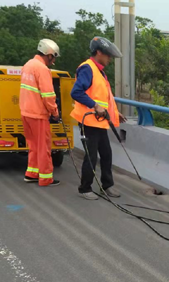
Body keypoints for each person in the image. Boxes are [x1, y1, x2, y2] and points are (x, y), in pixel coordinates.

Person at [70, 36, 127, 200]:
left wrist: (115, 113)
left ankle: (107, 186)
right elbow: (76, 92)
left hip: (100, 122)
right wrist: (95, 106)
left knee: (106, 154)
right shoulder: (87, 68)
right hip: (88, 121)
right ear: (99, 52)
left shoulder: (99, 71)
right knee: (91, 156)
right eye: (108, 55)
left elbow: (104, 97)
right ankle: (85, 188)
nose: (109, 58)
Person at [19, 38, 61, 187]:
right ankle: (46, 178)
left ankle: (32, 174)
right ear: (49, 55)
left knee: (34, 146)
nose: (53, 61)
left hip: (26, 112)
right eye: (54, 57)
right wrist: (55, 112)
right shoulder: (42, 69)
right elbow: (48, 95)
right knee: (44, 147)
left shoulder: (28, 65)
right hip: (38, 114)